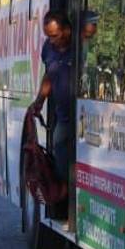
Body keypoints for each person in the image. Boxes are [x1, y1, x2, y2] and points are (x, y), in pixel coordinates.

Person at [29, 10, 75, 186]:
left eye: (55, 36)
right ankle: (63, 191)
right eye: (48, 36)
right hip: (63, 116)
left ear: (67, 30)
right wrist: (39, 101)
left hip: (84, 113)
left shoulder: (78, 45)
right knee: (59, 144)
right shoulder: (48, 48)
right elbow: (49, 75)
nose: (52, 41)